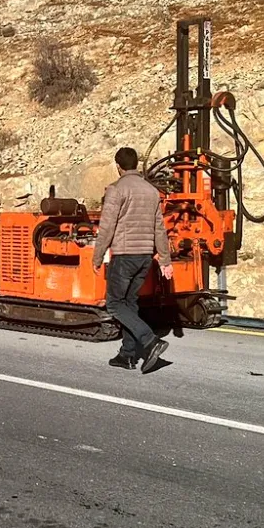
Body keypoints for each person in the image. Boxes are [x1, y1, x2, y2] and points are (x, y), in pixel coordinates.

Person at [92, 147, 174, 374]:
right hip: (145, 257)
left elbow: (107, 226)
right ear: (136, 164)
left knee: (114, 304)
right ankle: (127, 356)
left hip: (125, 255)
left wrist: (97, 256)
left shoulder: (117, 189)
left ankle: (150, 341)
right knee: (130, 303)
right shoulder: (151, 191)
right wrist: (165, 258)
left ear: (118, 166)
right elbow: (160, 228)